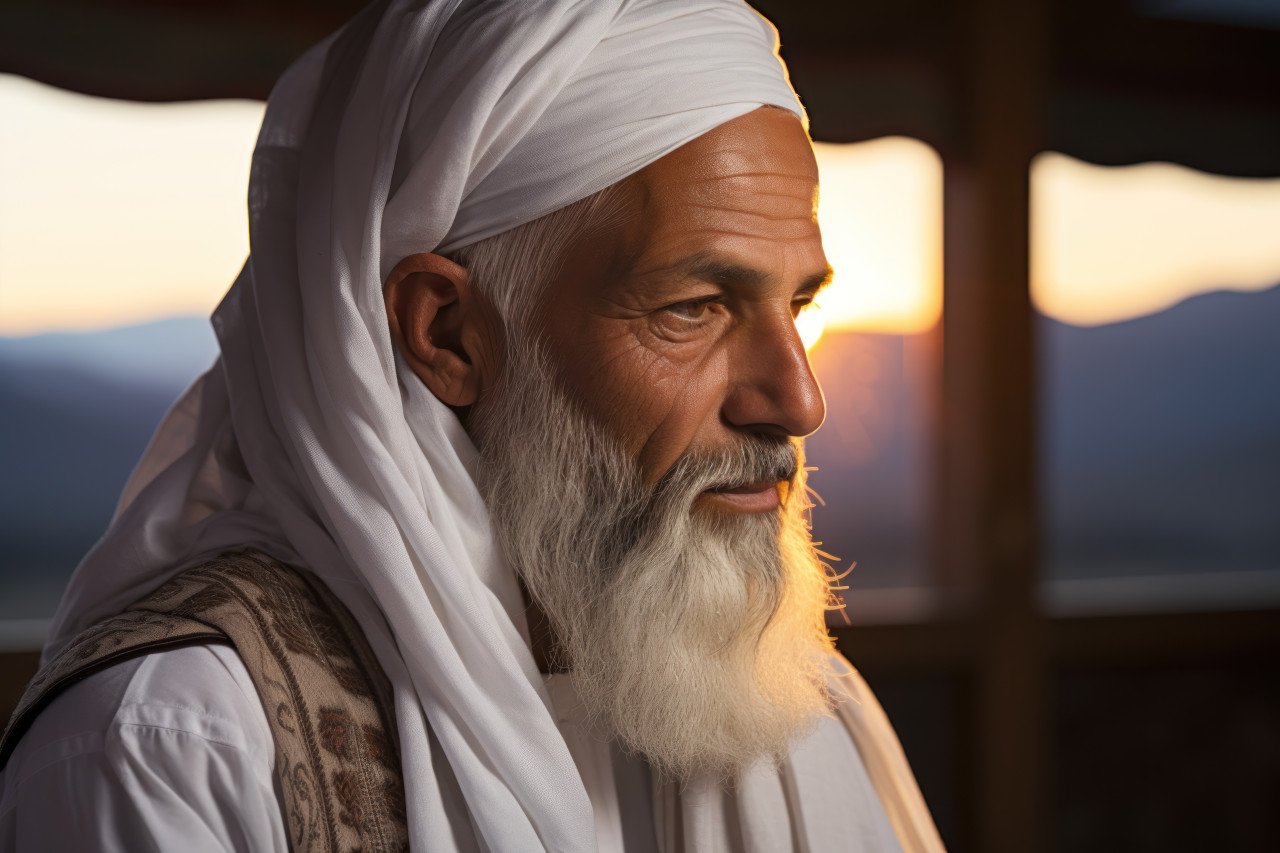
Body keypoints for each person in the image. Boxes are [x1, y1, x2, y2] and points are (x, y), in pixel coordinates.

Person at [0, 0, 945, 850]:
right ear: (448, 334)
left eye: (802, 305)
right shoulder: (179, 746)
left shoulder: (801, 710)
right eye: (693, 307)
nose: (798, 400)